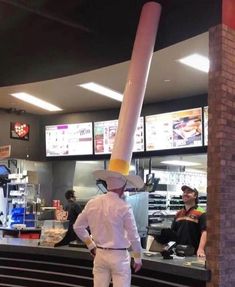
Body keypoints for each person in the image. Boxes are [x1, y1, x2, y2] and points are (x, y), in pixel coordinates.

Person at [73, 170, 144, 287]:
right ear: (123, 187)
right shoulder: (124, 206)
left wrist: (91, 245)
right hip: (120, 256)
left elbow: (77, 226)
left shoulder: (92, 203)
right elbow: (134, 236)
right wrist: (137, 258)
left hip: (100, 254)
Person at [171, 185, 207, 257]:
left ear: (195, 196)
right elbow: (173, 232)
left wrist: (201, 249)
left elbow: (205, 232)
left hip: (194, 254)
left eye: (189, 192)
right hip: (178, 252)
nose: (185, 194)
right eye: (184, 192)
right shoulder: (178, 213)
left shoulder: (201, 212)